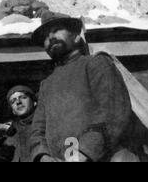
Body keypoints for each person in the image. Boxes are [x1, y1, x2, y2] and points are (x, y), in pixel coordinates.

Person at [29, 11, 133, 162]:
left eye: (56, 30)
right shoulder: (47, 84)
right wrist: (43, 157)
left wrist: (83, 153)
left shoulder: (96, 64)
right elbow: (37, 129)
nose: (50, 37)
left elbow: (112, 111)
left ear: (76, 36)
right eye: (45, 37)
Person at [3, 85, 38, 162]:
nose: (18, 102)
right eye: (13, 101)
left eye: (23, 97)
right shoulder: (13, 134)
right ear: (13, 111)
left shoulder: (47, 125)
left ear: (34, 102)